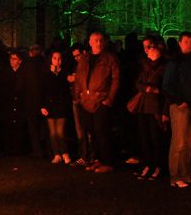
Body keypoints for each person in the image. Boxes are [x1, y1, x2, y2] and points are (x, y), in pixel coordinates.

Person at [73, 31, 121, 173]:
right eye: (96, 40)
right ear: (90, 42)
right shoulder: (85, 59)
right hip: (86, 102)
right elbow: (78, 79)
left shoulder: (110, 58)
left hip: (101, 101)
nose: (98, 43)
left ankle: (108, 161)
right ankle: (98, 159)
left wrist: (109, 99)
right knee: (92, 132)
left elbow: (116, 79)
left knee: (102, 131)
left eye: (101, 40)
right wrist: (78, 96)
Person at [132, 37, 168, 181]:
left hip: (155, 107)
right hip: (143, 106)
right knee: (144, 137)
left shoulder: (164, 67)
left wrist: (156, 89)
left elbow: (165, 87)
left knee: (155, 137)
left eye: (151, 48)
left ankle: (158, 165)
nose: (147, 51)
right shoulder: (145, 66)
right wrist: (146, 87)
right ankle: (148, 163)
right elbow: (138, 83)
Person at [40, 50, 73, 165]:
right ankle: (57, 154)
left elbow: (65, 89)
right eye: (54, 58)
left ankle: (65, 153)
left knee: (60, 132)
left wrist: (60, 74)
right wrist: (42, 106)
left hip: (61, 105)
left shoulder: (64, 72)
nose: (57, 61)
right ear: (51, 59)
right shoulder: (45, 72)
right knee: (52, 133)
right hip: (49, 105)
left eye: (59, 59)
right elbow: (42, 90)